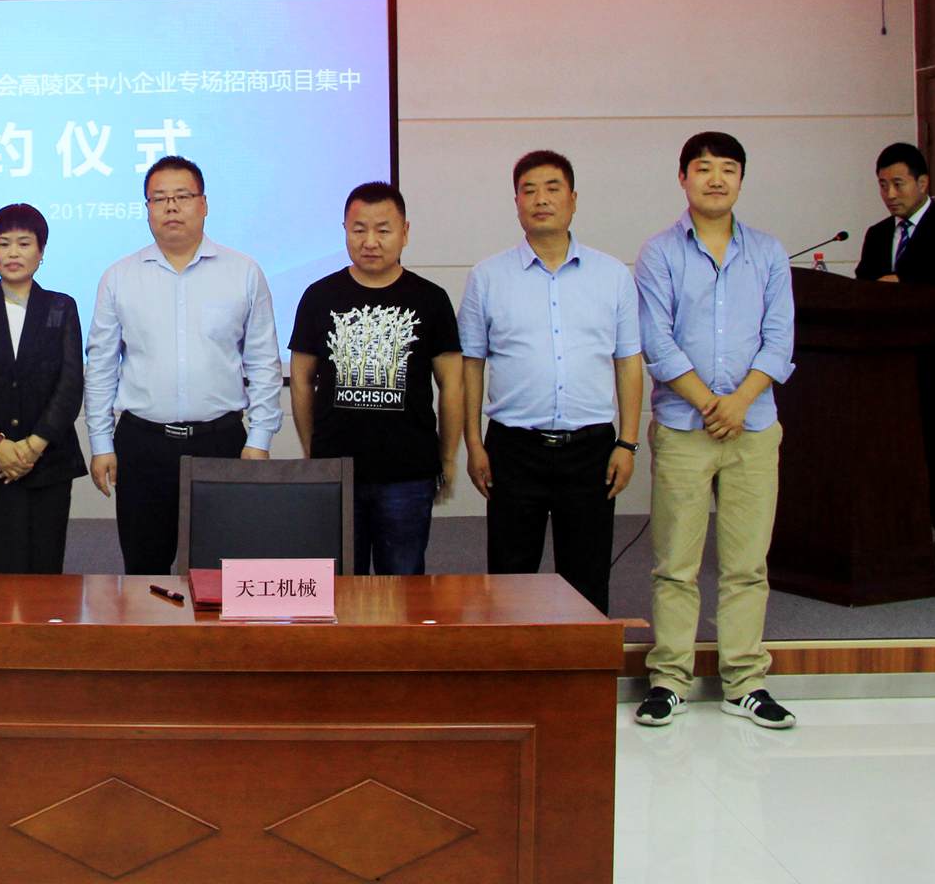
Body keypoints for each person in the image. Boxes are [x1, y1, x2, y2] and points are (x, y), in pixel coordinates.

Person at [633, 132, 798, 730]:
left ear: (741, 180)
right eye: (703, 168)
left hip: (753, 426)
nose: (716, 179)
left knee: (747, 564)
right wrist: (710, 404)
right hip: (685, 426)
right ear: (683, 178)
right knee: (676, 563)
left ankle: (745, 681)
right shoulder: (660, 253)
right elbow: (656, 341)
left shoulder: (769, 252)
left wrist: (740, 402)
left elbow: (780, 338)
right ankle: (669, 679)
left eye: (729, 169)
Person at [459, 152, 643, 614]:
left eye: (552, 188)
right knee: (509, 575)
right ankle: (512, 660)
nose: (541, 199)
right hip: (513, 448)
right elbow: (472, 365)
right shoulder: (488, 277)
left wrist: (627, 443)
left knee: (587, 576)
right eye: (529, 190)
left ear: (573, 199)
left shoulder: (613, 276)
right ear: (516, 203)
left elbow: (628, 363)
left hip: (591, 449)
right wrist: (473, 444)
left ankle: (580, 663)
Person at [85, 155, 283, 575]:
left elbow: (264, 362)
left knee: (221, 573)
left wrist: (260, 437)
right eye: (159, 198)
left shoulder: (243, 272)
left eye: (182, 196)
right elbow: (101, 366)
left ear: (204, 204)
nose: (171, 207)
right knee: (144, 573)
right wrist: (101, 444)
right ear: (147, 209)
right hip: (142, 445)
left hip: (221, 442)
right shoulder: (119, 277)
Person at [289, 182, 462, 574]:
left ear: (405, 232)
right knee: (337, 586)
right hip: (337, 471)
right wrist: (313, 453)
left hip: (407, 474)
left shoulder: (431, 299)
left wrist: (448, 457)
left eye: (383, 230)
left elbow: (452, 384)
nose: (370, 241)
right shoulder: (319, 296)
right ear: (345, 231)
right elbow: (301, 380)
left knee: (402, 588)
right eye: (358, 229)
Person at [856, 142, 935, 583]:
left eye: (898, 183)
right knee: (891, 456)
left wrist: (900, 282)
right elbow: (865, 288)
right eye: (882, 185)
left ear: (923, 182)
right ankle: (899, 536)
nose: (890, 194)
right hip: (888, 368)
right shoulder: (876, 234)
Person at [0, 204, 89, 573]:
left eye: (24, 243)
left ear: (41, 252)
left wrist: (32, 446)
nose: (13, 253)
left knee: (44, 571)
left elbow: (70, 383)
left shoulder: (61, 307)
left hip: (48, 463)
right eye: (3, 243)